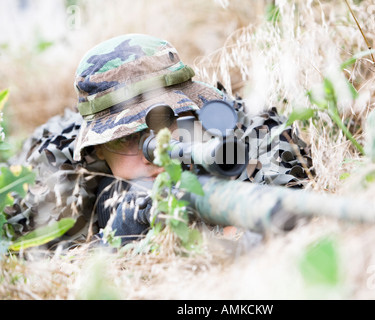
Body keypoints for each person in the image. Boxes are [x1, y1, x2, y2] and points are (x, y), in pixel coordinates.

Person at [8, 33, 312, 247]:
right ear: (97, 149)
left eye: (168, 123)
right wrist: (115, 237)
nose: (154, 154)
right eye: (124, 139)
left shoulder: (237, 124)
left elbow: (288, 191)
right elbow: (40, 261)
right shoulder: (54, 168)